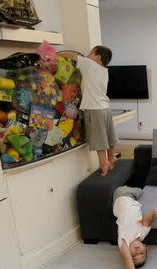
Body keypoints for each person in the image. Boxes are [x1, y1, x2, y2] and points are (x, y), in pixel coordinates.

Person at [59, 46, 118, 176]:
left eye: (90, 53)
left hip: (94, 108)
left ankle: (104, 164)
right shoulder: (104, 71)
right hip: (105, 108)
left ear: (98, 57)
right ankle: (112, 157)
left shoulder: (89, 64)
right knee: (109, 135)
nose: (87, 55)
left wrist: (57, 52)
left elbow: (72, 56)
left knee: (99, 139)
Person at [113, 186, 157, 269]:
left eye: (134, 256)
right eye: (142, 253)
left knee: (137, 189)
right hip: (133, 200)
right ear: (145, 247)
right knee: (141, 189)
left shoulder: (124, 240)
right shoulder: (142, 235)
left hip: (122, 196)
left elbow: (126, 258)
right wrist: (154, 213)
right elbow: (146, 220)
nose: (137, 251)